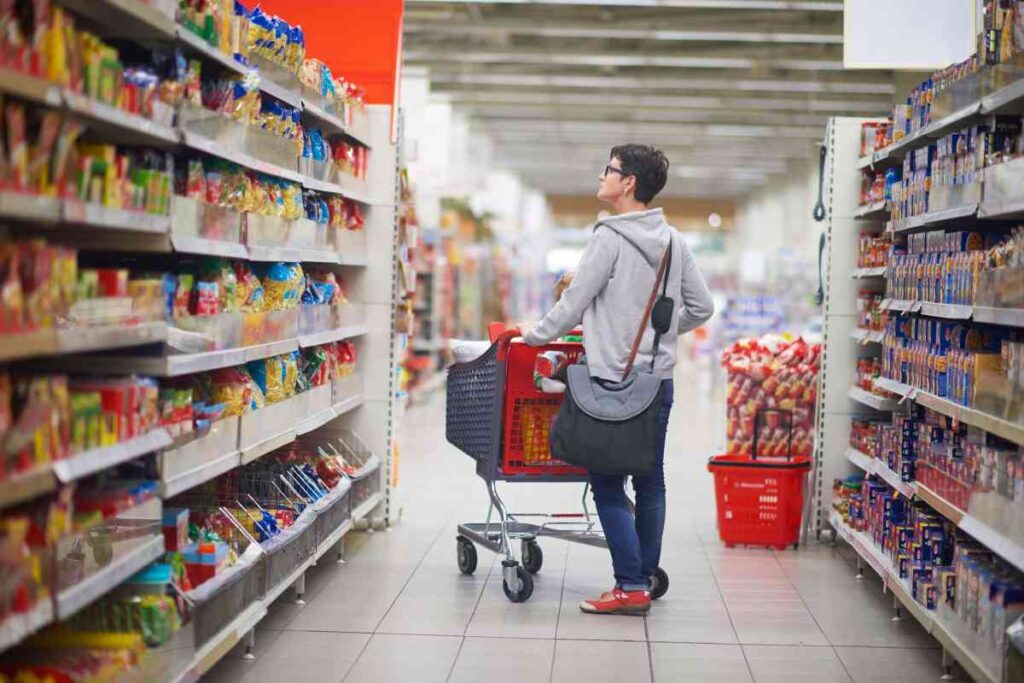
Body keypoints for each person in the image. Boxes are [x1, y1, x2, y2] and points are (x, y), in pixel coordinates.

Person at [519, 144, 715, 615]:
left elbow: (574, 304)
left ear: (628, 183)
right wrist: (658, 334)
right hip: (656, 381)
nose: (602, 175)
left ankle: (629, 586)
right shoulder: (673, 241)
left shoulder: (608, 237)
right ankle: (643, 576)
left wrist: (533, 335)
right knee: (650, 482)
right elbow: (703, 307)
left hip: (611, 379)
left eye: (609, 169)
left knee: (607, 485)